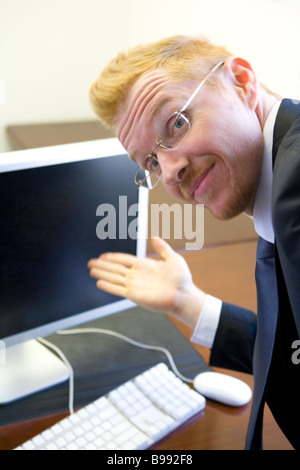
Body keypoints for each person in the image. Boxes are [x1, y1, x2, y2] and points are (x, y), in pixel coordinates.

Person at [87, 35, 300, 450]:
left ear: (241, 81)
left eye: (177, 124)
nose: (169, 173)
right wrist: (187, 301)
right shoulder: (275, 189)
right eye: (150, 161)